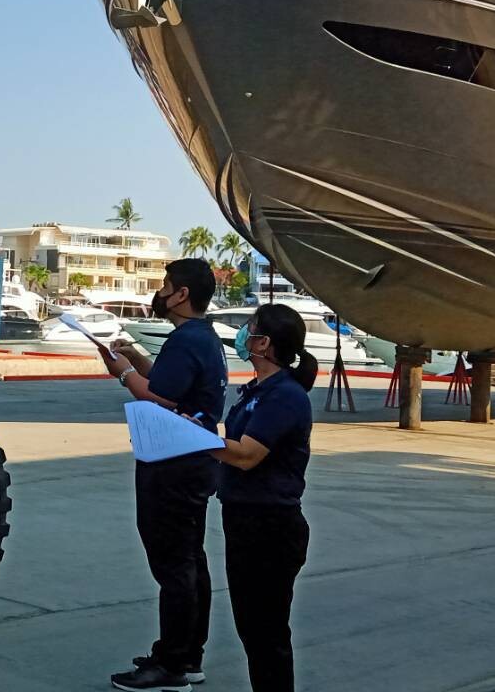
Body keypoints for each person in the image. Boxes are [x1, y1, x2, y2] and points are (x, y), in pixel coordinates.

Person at [101, 259, 228, 692]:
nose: (160, 293)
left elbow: (159, 398)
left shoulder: (188, 339)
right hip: (194, 462)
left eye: (165, 286)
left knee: (174, 563)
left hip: (174, 464)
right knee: (190, 559)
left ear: (182, 295)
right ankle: (187, 654)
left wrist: (122, 374)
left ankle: (172, 665)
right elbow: (171, 384)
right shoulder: (200, 338)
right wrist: (137, 358)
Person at [207, 304, 318, 691]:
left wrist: (198, 442)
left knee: (266, 633)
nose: (243, 336)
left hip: (270, 527)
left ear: (264, 343)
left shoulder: (285, 396)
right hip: (244, 521)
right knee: (253, 630)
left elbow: (248, 454)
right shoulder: (257, 391)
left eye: (249, 329)